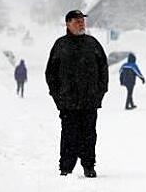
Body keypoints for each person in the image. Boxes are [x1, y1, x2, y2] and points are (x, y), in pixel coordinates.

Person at [45, 10, 108, 178]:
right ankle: (66, 167)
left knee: (89, 134)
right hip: (68, 102)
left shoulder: (93, 44)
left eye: (82, 21)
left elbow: (103, 69)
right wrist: (58, 97)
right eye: (77, 21)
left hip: (89, 100)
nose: (81, 23)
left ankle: (89, 166)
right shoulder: (60, 45)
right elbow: (50, 73)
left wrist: (99, 93)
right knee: (68, 135)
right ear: (68, 24)